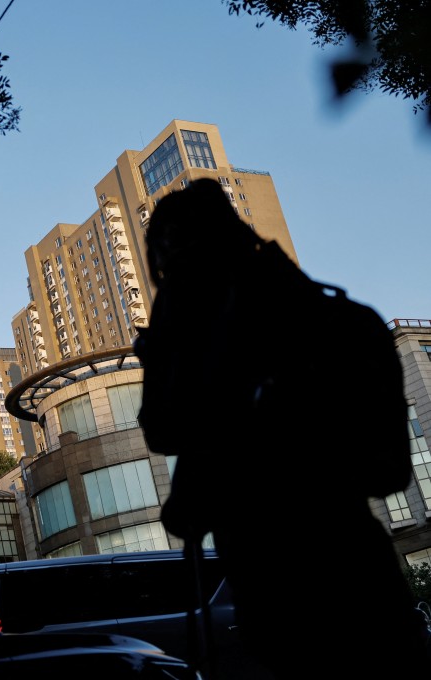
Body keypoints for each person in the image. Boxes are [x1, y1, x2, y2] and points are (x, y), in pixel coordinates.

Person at [134, 178, 430, 677]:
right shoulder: (349, 324)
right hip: (292, 608)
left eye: (182, 270)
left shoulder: (334, 331)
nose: (176, 288)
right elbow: (164, 431)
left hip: (343, 603)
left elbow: (387, 470)